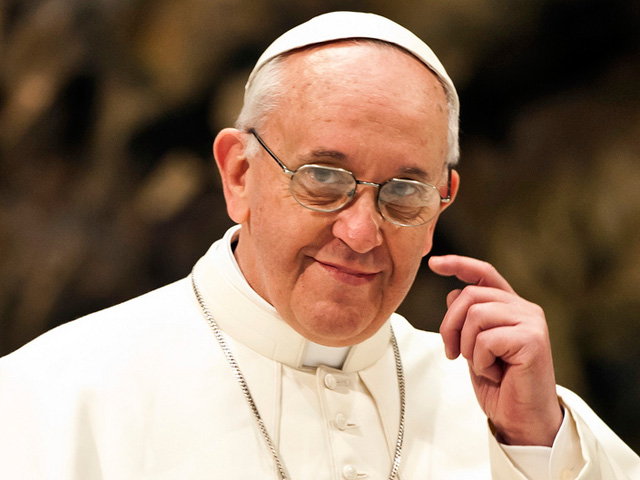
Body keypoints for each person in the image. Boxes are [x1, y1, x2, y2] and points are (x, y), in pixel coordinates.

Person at [0, 11, 638, 480]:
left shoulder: (513, 416)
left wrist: (538, 449)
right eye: (323, 180)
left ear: (442, 201)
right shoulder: (51, 399)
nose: (361, 233)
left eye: (404, 191)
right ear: (239, 175)